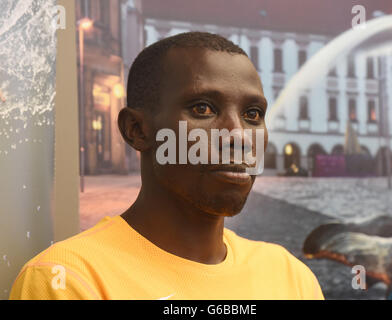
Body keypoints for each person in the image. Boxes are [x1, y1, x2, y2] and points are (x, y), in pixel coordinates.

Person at [10, 32, 324, 300]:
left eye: (253, 114)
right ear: (137, 129)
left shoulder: (292, 278)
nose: (238, 136)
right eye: (203, 108)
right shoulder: (67, 280)